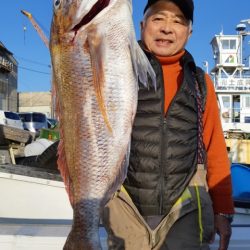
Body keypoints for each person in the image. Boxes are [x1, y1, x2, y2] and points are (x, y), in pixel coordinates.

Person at [102, 0, 235, 249]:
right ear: (141, 26)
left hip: (186, 209)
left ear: (189, 32)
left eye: (177, 21)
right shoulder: (116, 70)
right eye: (158, 18)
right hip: (127, 206)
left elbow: (215, 150)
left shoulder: (201, 82)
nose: (167, 28)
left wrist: (223, 210)